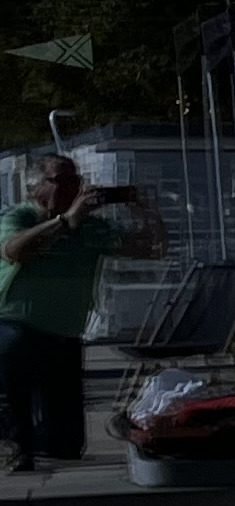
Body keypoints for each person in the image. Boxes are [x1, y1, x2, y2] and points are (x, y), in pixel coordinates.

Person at [2, 151, 146, 472]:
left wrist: (145, 211)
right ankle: (16, 445)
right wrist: (65, 222)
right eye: (59, 180)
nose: (69, 188)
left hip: (64, 331)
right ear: (34, 189)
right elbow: (15, 251)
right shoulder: (21, 217)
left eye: (75, 180)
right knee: (12, 370)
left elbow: (147, 248)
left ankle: (45, 449)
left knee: (64, 444)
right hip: (17, 323)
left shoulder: (91, 228)